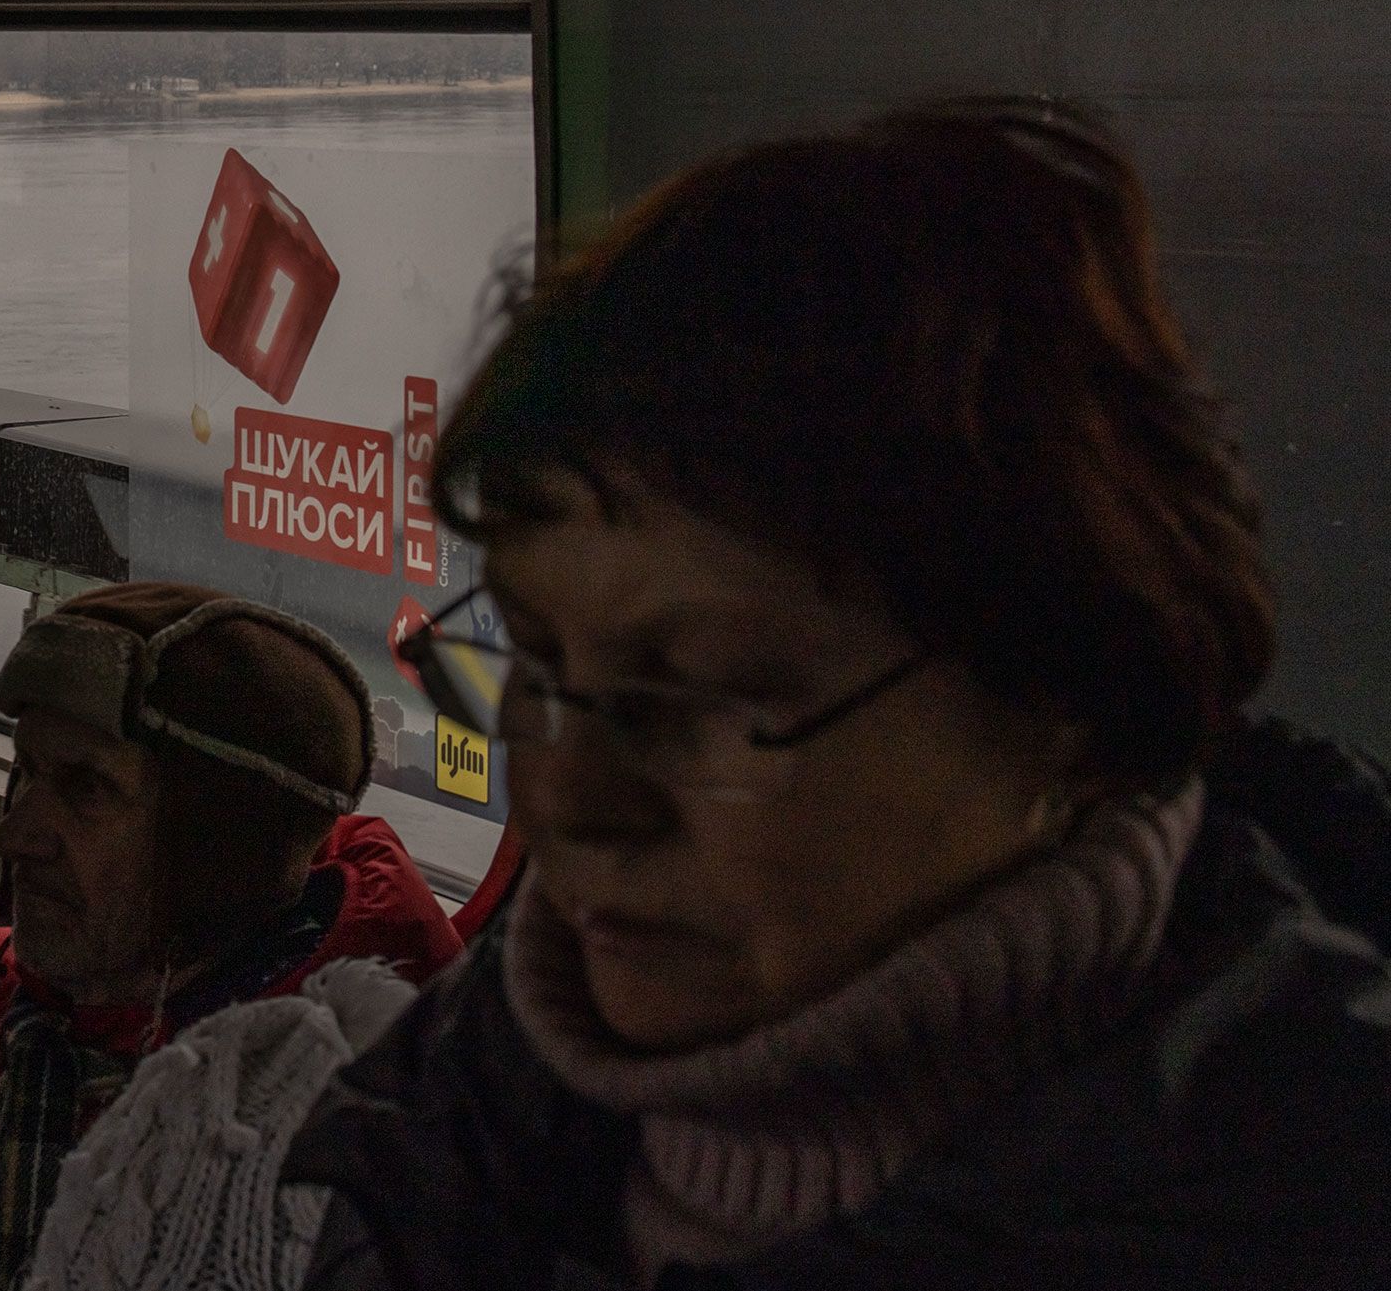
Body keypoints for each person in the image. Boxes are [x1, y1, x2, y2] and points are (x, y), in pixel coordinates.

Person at [256, 103, 1391, 1291]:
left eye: (694, 700)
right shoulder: (455, 1108)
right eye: (535, 669)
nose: (567, 798)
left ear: (1070, 699)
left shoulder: (1318, 1207)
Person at [0, 583, 465, 1291]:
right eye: (25, 772)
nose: (14, 834)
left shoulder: (330, 1154)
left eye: (86, 788)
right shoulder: (1, 1001)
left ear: (219, 845)